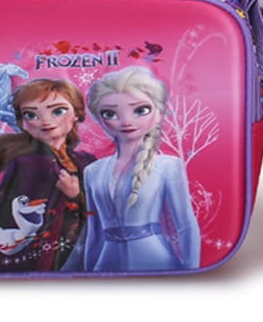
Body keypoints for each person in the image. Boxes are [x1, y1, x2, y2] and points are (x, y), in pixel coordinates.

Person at [66, 66, 200, 273]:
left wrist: (191, 270)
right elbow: (94, 231)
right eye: (110, 113)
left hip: (156, 260)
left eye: (140, 110)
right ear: (99, 119)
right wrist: (89, 272)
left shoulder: (168, 166)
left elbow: (185, 224)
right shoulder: (93, 171)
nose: (126, 121)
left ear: (159, 113)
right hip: (106, 262)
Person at [0, 78, 93, 272]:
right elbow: (5, 212)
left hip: (83, 249)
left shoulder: (86, 161)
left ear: (77, 114)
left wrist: (75, 195)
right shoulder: (28, 164)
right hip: (45, 255)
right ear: (22, 123)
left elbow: (105, 208)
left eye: (58, 111)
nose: (45, 121)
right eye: (31, 114)